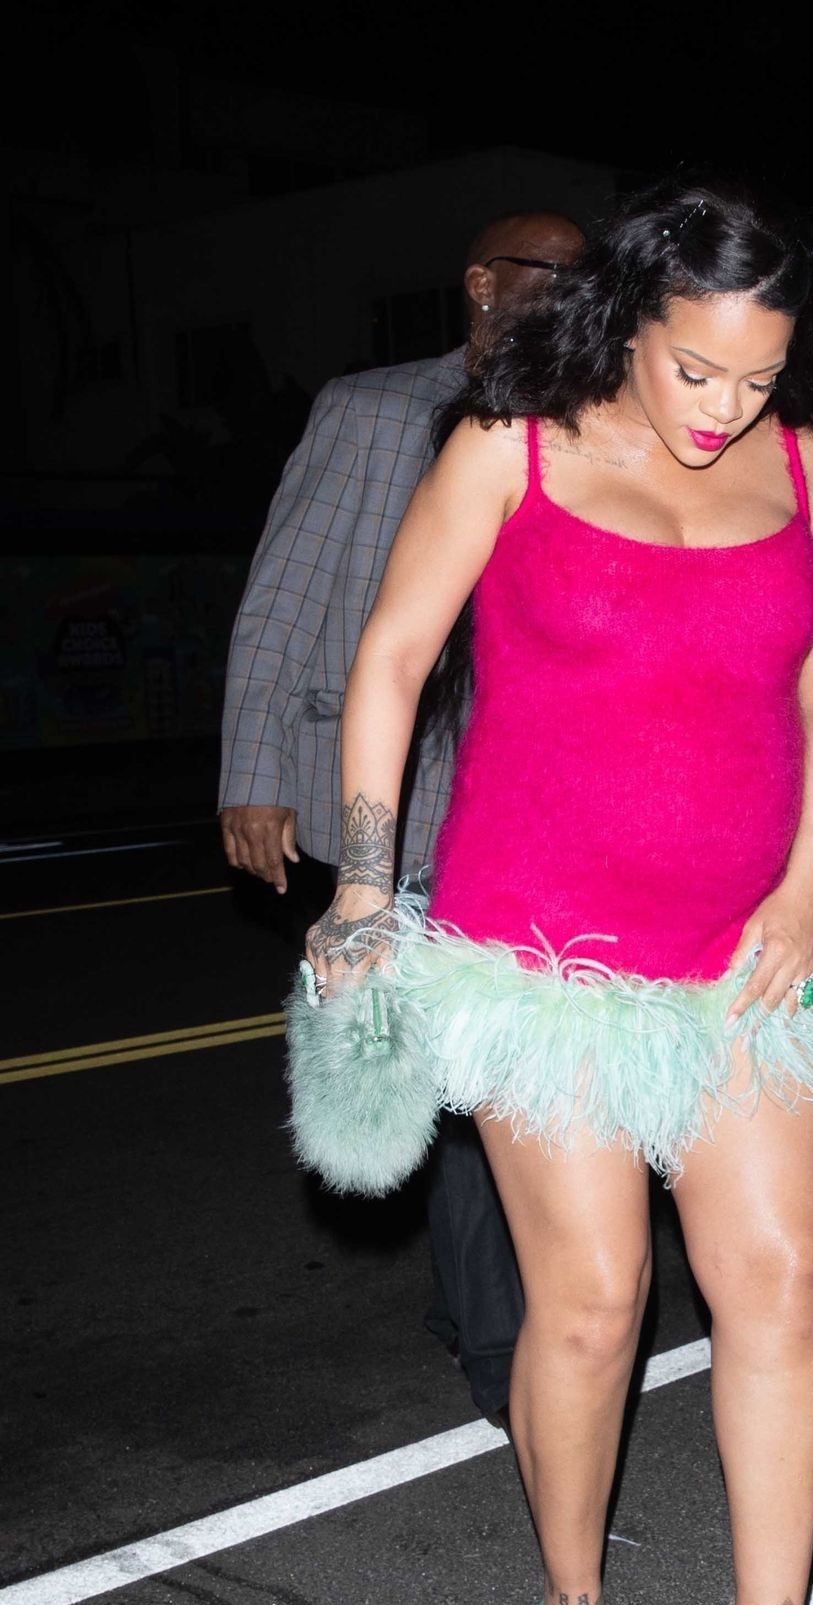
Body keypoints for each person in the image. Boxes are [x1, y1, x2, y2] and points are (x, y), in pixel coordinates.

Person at [286, 173, 813, 1605]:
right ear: (630, 324)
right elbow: (393, 656)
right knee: (591, 1305)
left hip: (742, 958)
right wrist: (366, 889)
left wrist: (808, 886)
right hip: (542, 961)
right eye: (696, 369)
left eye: (759, 377)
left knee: (782, 1283)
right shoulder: (513, 449)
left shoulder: (801, 468)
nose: (725, 409)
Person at [217, 210, 586, 1428]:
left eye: (586, 278)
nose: (568, 293)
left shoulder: (583, 425)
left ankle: (476, 1317)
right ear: (480, 282)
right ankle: (496, 1343)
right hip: (389, 793)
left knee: (485, 1071)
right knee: (453, 1075)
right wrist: (252, 772)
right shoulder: (372, 409)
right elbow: (284, 594)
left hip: (522, 802)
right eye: (545, 272)